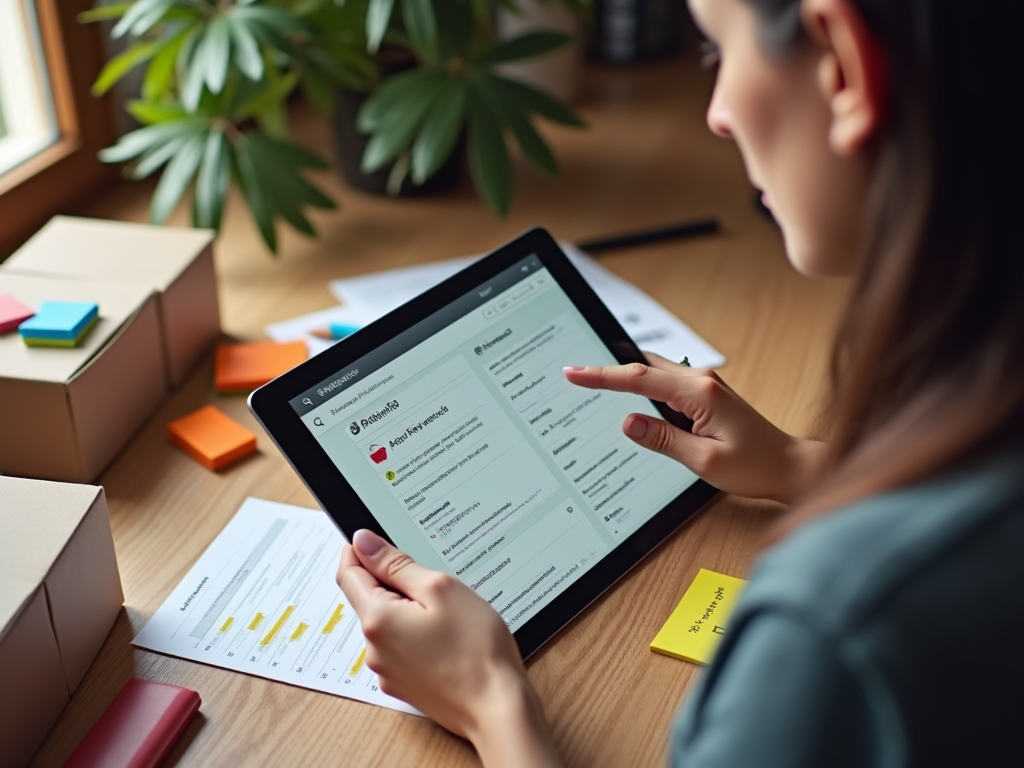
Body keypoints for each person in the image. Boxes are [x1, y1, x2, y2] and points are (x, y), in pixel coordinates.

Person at [336, 0, 1024, 764]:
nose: (719, 115)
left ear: (844, 66)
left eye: (716, 52)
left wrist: (490, 701)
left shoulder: (833, 628)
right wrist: (800, 464)